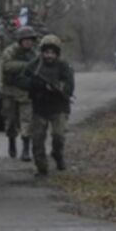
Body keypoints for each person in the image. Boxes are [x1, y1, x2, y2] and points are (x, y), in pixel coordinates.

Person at [22, 34, 75, 177]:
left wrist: (58, 87)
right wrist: (37, 85)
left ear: (57, 53)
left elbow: (70, 86)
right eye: (46, 52)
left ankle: (58, 155)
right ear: (42, 52)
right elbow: (21, 80)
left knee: (58, 136)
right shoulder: (34, 65)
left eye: (52, 53)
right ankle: (42, 168)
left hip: (59, 107)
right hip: (40, 107)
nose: (49, 56)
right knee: (37, 140)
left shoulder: (64, 66)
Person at [0, 26, 39, 160]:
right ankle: (11, 142)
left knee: (27, 120)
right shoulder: (10, 51)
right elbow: (6, 66)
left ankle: (26, 150)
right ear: (20, 40)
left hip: (26, 92)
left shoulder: (34, 54)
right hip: (9, 92)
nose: (28, 42)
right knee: (10, 121)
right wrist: (25, 65)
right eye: (26, 39)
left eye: (31, 40)